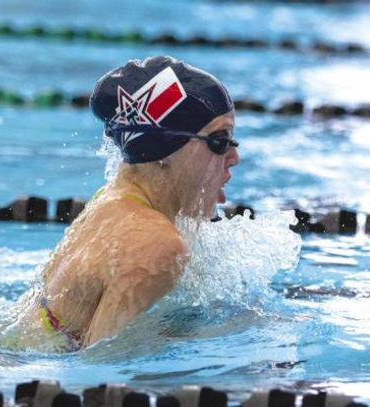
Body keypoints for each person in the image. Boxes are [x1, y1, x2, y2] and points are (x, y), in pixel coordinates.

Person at [17, 56, 240, 351]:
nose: (234, 157)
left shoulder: (113, 202)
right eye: (220, 140)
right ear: (165, 147)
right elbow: (100, 373)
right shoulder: (156, 244)